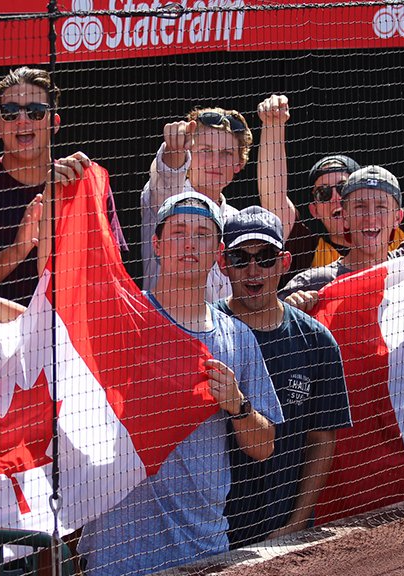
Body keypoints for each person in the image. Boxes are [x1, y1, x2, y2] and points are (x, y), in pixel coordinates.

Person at [79, 192, 283, 575]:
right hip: (117, 552)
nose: (190, 243)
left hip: (202, 547)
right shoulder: (120, 318)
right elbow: (47, 330)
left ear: (217, 253)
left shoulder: (238, 336)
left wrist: (238, 405)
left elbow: (264, 446)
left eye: (203, 234)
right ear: (156, 243)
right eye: (178, 231)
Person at [0, 66, 125, 305]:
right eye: (10, 112)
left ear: (54, 123)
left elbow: (109, 275)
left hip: (62, 335)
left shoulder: (81, 185)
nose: (22, 120)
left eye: (35, 111)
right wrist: (17, 251)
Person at [214, 206, 352, 547]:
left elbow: (322, 440)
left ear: (285, 262)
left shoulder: (317, 341)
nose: (253, 269)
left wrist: (297, 523)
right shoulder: (205, 333)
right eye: (240, 257)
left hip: (285, 529)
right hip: (213, 531)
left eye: (266, 257)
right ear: (222, 263)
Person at [255, 89, 404, 280]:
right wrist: (273, 124)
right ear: (314, 209)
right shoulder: (306, 251)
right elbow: (273, 197)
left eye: (344, 187)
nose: (336, 197)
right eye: (323, 193)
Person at [140, 106, 253, 301]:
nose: (215, 162)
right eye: (205, 150)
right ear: (189, 153)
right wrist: (174, 149)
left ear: (239, 163)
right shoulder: (167, 200)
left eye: (226, 153)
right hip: (163, 328)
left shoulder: (239, 221)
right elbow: (168, 174)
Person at [279, 165, 404, 310]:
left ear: (398, 217)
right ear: (345, 217)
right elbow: (265, 323)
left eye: (381, 207)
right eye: (360, 207)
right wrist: (288, 314)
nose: (371, 217)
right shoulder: (312, 284)